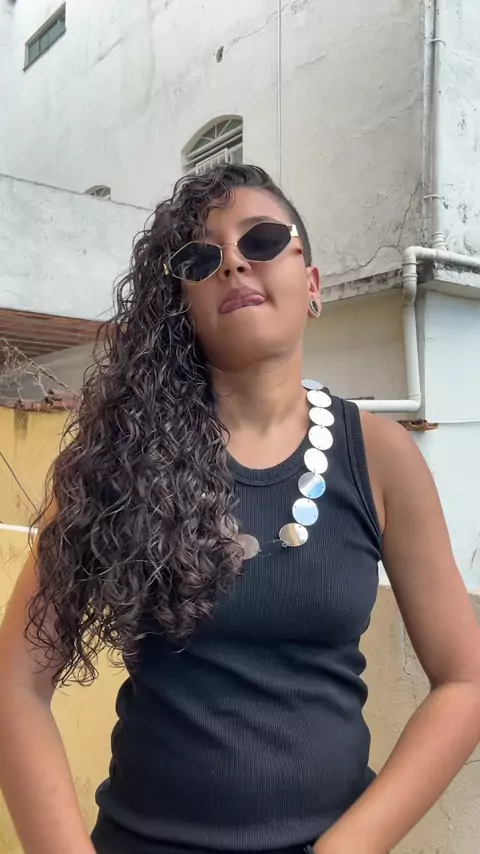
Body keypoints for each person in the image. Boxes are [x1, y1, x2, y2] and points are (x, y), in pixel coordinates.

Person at [1, 164, 480, 854]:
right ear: (184, 305)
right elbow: (17, 684)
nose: (232, 261)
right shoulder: (115, 459)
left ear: (311, 285)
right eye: (202, 258)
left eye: (261, 240)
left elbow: (464, 681)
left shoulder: (381, 459)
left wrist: (348, 847)